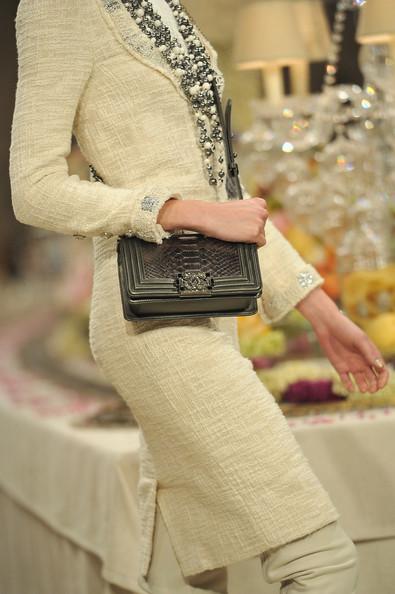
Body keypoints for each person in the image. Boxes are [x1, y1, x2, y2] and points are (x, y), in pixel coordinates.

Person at [9, 0, 389, 593]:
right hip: (153, 321)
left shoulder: (163, 7)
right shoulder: (60, 8)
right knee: (321, 561)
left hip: (216, 301)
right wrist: (176, 209)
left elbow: (225, 199)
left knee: (185, 576)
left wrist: (320, 310)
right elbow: (32, 189)